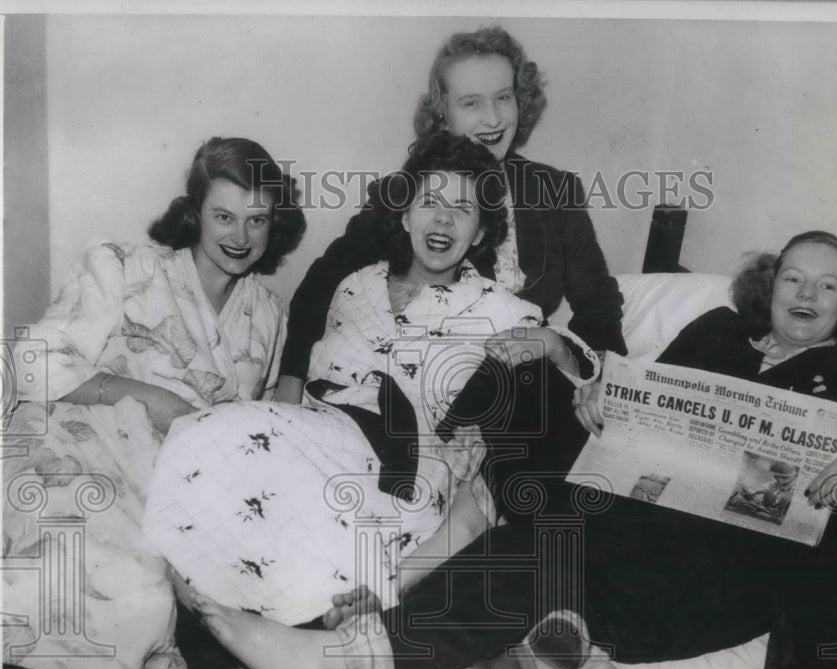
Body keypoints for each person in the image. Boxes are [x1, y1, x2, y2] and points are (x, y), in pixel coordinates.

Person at [186, 230, 837, 669]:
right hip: (637, 514)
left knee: (554, 543)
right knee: (539, 422)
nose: (805, 296)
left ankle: (324, 659)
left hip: (727, 565)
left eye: (827, 286)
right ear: (770, 284)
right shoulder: (715, 332)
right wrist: (601, 395)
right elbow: (651, 402)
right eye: (794, 278)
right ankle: (540, 638)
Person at [145, 133, 597, 634]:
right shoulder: (354, 285)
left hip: (402, 478)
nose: (443, 219)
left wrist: (554, 345)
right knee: (209, 453)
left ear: (483, 234)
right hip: (308, 445)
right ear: (405, 216)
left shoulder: (503, 311)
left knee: (217, 441)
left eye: (462, 209)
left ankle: (284, 622)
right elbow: (303, 370)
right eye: (430, 202)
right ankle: (255, 626)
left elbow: (574, 386)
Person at [1, 137, 306, 669]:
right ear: (194, 211)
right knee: (125, 587)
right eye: (223, 216)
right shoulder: (121, 264)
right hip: (78, 462)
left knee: (161, 600)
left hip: (169, 495)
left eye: (256, 219)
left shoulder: (268, 315)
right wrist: (148, 395)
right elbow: (33, 363)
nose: (240, 236)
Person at [276, 25, 626, 404]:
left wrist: (601, 382)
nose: (492, 119)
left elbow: (597, 304)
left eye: (503, 98)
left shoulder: (553, 191)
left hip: (526, 385)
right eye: (471, 103)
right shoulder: (405, 194)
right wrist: (289, 385)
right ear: (442, 114)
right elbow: (319, 287)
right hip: (435, 390)